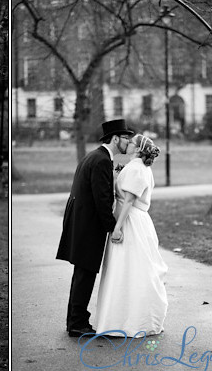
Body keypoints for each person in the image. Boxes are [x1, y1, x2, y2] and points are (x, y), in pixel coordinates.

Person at [56, 119, 134, 337]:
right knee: (85, 274)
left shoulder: (95, 156)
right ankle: (77, 324)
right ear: (115, 138)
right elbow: (101, 200)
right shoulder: (100, 161)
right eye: (126, 137)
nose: (128, 141)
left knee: (81, 273)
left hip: (81, 222)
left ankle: (75, 320)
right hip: (88, 225)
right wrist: (113, 228)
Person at [95, 134, 168, 336]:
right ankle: (122, 317)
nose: (127, 144)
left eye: (131, 142)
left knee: (130, 269)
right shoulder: (138, 167)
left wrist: (117, 227)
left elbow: (128, 201)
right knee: (126, 269)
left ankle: (132, 321)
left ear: (137, 148)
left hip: (131, 222)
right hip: (135, 219)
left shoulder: (136, 169)